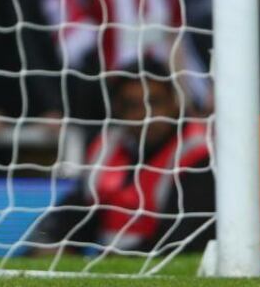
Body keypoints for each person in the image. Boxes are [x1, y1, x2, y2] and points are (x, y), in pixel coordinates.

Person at [27, 57, 215, 254]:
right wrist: (51, 239)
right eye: (133, 106)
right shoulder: (108, 145)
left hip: (154, 258)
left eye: (154, 103)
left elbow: (185, 239)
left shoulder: (198, 153)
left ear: (174, 103)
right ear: (118, 109)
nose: (145, 116)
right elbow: (78, 210)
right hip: (110, 259)